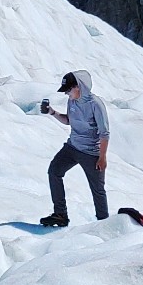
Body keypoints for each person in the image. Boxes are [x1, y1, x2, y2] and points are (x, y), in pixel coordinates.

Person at [39, 69, 110, 226]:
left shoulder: (95, 104)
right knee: (54, 171)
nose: (67, 94)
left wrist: (102, 157)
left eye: (69, 90)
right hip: (72, 147)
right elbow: (69, 121)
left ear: (79, 86)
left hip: (91, 153)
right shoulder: (72, 101)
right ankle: (60, 215)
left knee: (98, 190)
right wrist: (52, 112)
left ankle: (104, 225)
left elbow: (104, 133)